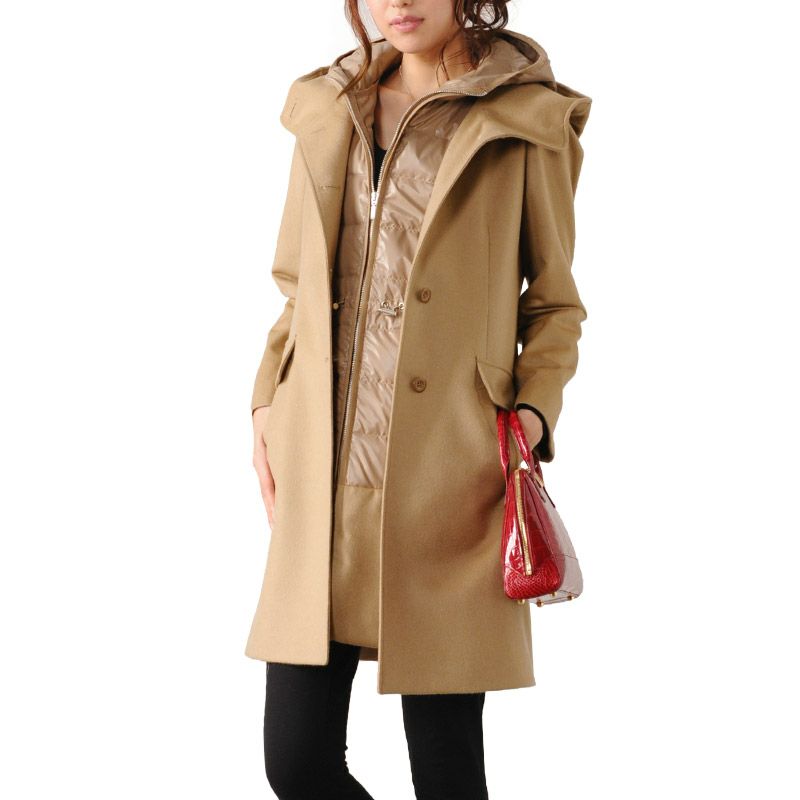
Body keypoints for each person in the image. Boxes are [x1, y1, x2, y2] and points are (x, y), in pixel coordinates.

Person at [248, 1, 591, 797]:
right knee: (297, 763)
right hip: (323, 473)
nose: (398, 2)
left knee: (445, 772)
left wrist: (529, 416)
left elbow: (555, 305)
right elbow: (296, 284)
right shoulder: (329, 106)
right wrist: (267, 402)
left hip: (449, 476)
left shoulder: (522, 120)